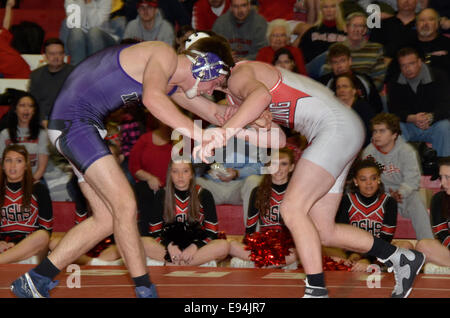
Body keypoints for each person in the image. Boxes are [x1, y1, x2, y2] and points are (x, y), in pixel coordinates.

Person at [10, 31, 236, 298]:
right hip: (75, 122)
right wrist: (197, 134)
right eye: (217, 83)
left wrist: (255, 117)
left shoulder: (169, 82)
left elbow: (215, 113)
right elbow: (153, 100)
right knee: (126, 205)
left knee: (107, 219)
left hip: (79, 125)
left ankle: (36, 280)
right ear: (205, 66)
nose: (213, 91)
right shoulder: (163, 55)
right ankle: (145, 290)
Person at [202, 59, 426, 298]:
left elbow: (259, 98)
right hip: (338, 131)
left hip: (332, 129)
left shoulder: (240, 75)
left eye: (196, 78)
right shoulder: (239, 96)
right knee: (323, 229)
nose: (198, 88)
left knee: (291, 209)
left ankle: (316, 289)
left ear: (211, 70)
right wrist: (244, 127)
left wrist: (223, 133)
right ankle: (400, 256)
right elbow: (276, 138)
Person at [138, 160, 229, 266]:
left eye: (185, 171)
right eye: (175, 171)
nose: (180, 176)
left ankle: (171, 264)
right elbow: (155, 231)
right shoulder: (162, 194)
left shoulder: (204, 194)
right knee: (142, 242)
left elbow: (211, 232)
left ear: (191, 174)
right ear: (170, 174)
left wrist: (194, 246)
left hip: (195, 248)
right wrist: (169, 245)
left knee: (223, 246)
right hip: (170, 249)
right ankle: (190, 263)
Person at [362, 112, 435, 241]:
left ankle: (428, 243)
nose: (377, 135)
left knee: (416, 201)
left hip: (404, 194)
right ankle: (366, 246)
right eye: (375, 131)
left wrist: (400, 193)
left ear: (394, 135)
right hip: (380, 193)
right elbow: (365, 178)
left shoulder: (406, 151)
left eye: (382, 131)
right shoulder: (369, 153)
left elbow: (412, 180)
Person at [229, 147, 299, 269]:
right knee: (232, 246)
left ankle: (265, 263)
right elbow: (250, 229)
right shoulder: (258, 192)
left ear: (291, 167)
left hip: (289, 246)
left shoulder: (297, 192)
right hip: (264, 245)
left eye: (283, 164)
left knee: (298, 253)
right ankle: (274, 263)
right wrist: (248, 247)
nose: (278, 168)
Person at [333, 157, 398, 272]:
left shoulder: (389, 202)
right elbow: (343, 234)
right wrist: (352, 253)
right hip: (350, 251)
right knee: (323, 247)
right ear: (356, 181)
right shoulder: (346, 200)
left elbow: (386, 238)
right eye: (363, 179)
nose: (369, 183)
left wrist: (368, 259)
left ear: (379, 179)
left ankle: (375, 265)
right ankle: (351, 263)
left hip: (378, 253)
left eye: (373, 178)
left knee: (406, 246)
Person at [386, 47, 450, 157]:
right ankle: (401, 167)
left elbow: (446, 106)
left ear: (420, 62)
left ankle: (444, 167)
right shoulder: (394, 82)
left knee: (444, 126)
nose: (408, 69)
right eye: (403, 65)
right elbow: (394, 110)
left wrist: (430, 117)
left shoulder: (439, 76)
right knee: (394, 128)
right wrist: (411, 118)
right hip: (408, 124)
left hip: (434, 123)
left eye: (411, 64)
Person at [0, 144, 52, 264]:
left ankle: (10, 258)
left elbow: (46, 228)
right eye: (8, 160)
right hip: (3, 246)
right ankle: (16, 259)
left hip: (30, 246)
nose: (13, 166)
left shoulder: (39, 189)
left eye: (18, 161)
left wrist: (17, 246)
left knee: (43, 236)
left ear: (26, 166)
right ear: (2, 165)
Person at [319, 43, 383, 114]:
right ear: (331, 65)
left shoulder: (364, 80)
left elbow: (377, 107)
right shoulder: (323, 83)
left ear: (350, 61)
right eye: (335, 62)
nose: (339, 66)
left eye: (342, 61)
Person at [0, 93, 49, 183]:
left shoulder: (41, 134)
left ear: (34, 111)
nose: (26, 109)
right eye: (22, 105)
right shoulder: (4, 134)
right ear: (15, 109)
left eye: (30, 106)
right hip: (9, 181)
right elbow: (1, 165)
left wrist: (28, 184)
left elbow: (41, 167)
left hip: (34, 180)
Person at [334, 12, 387, 91]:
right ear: (346, 28)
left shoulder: (376, 49)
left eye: (360, 26)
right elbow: (328, 75)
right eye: (354, 25)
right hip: (339, 93)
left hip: (366, 94)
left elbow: (379, 79)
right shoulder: (336, 48)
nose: (357, 29)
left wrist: (362, 92)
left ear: (365, 30)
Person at [28, 38, 75, 127]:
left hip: (68, 123)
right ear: (45, 56)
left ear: (64, 55)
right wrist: (42, 120)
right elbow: (33, 103)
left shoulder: (75, 74)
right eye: (52, 54)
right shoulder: (36, 76)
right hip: (42, 124)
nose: (56, 57)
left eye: (60, 53)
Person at [60, 0, 120, 65]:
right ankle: (78, 71)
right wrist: (83, 2)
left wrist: (89, 4)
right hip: (80, 35)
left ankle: (94, 69)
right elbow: (75, 22)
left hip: (103, 36)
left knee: (94, 32)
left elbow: (95, 23)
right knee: (76, 32)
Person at [298, 0, 346, 79]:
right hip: (312, 69)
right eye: (325, 7)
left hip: (337, 68)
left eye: (332, 6)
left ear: (337, 10)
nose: (329, 10)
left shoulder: (345, 32)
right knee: (330, 52)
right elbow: (301, 55)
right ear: (321, 10)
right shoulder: (312, 31)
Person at [421, 156, 450, 274]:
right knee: (423, 246)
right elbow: (442, 235)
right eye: (441, 177)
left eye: (448, 177)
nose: (443, 183)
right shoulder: (438, 199)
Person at [333, 73, 376, 147]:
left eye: (345, 86)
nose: (341, 90)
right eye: (338, 87)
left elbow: (370, 133)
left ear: (354, 91)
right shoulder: (333, 110)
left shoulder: (364, 108)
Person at [413, 8, 450, 79]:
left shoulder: (447, 44)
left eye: (430, 20)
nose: (425, 24)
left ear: (437, 24)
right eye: (422, 20)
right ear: (416, 25)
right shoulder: (406, 45)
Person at [0, 0, 31, 78]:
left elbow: (5, 27)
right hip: (12, 70)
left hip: (17, 69)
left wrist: (8, 7)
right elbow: (5, 27)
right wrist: (8, 7)